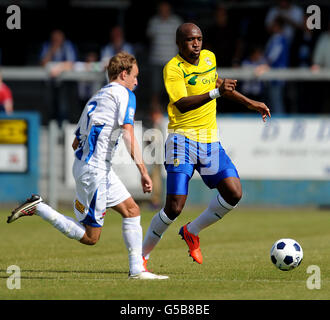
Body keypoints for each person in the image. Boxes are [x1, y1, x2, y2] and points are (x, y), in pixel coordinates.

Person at [7, 52, 168, 280]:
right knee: (91, 237)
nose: (137, 82)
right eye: (135, 76)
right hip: (95, 170)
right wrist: (143, 171)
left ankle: (137, 270)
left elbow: (75, 142)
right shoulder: (124, 94)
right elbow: (128, 133)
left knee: (132, 210)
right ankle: (39, 207)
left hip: (91, 167)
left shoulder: (97, 96)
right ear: (124, 74)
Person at [142, 23, 270, 268]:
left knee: (233, 193)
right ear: (179, 43)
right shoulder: (173, 68)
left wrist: (250, 102)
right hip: (182, 140)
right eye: (191, 40)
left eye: (199, 38)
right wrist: (216, 94)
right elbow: (181, 103)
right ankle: (142, 256)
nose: (196, 44)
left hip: (209, 141)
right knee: (174, 207)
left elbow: (218, 84)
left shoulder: (209, 58)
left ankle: (192, 231)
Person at [146, 1, 183, 111]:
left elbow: (181, 40)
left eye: (166, 8)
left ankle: (174, 110)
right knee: (155, 89)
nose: (164, 11)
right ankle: (155, 112)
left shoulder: (176, 21)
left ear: (169, 9)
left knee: (173, 88)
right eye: (162, 8)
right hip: (156, 60)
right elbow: (150, 39)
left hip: (172, 61)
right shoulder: (153, 22)